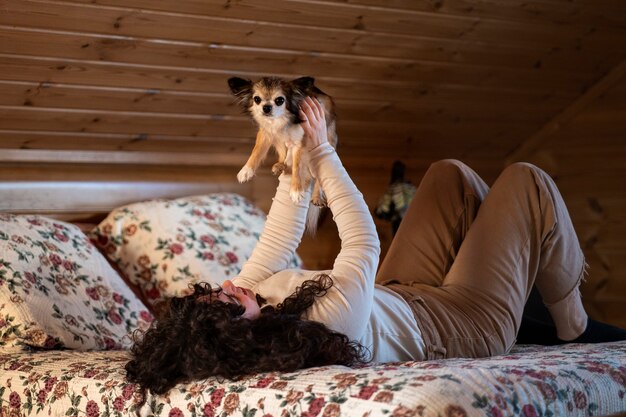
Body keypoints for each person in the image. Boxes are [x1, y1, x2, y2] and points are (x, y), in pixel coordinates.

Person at [126, 97, 626, 395]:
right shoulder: (321, 329)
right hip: (458, 326)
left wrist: (295, 157)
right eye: (227, 302)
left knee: (447, 175)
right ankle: (571, 322)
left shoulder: (254, 307)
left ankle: (524, 271)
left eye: (216, 291)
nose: (231, 288)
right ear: (238, 334)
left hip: (403, 294)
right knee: (526, 181)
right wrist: (323, 151)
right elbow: (362, 242)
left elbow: (279, 239)